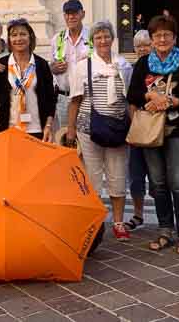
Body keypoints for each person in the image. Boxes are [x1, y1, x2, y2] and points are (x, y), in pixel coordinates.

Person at [127, 14, 179, 255]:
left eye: (166, 35)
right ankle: (164, 230)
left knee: (178, 182)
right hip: (150, 131)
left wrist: (171, 100)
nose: (162, 39)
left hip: (177, 130)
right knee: (158, 183)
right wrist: (150, 97)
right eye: (157, 35)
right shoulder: (143, 64)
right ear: (151, 38)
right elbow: (133, 95)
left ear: (174, 37)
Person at [67, 21, 133, 240]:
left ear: (112, 39)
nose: (103, 41)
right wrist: (70, 129)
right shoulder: (82, 66)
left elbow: (130, 100)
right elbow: (75, 100)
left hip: (118, 128)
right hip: (89, 129)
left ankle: (119, 222)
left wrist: (134, 128)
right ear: (92, 41)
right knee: (92, 178)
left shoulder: (123, 65)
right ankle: (94, 223)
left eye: (106, 36)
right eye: (98, 37)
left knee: (118, 175)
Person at [0, 18, 56, 141]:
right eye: (14, 35)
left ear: (30, 37)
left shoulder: (42, 65)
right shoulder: (1, 65)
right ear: (9, 40)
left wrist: (48, 125)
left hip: (37, 130)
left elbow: (51, 100)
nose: (18, 39)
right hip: (9, 130)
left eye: (23, 34)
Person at [126, 30, 152, 231]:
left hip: (157, 128)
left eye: (146, 44)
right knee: (135, 175)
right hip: (135, 128)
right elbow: (128, 99)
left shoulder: (160, 67)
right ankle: (138, 213)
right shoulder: (129, 69)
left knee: (159, 175)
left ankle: (165, 215)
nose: (143, 48)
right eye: (139, 45)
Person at [50, 0, 90, 127]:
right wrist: (53, 68)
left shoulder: (93, 37)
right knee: (65, 138)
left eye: (74, 13)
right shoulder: (57, 39)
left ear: (82, 14)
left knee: (86, 139)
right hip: (64, 98)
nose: (71, 17)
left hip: (87, 99)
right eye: (67, 13)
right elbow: (51, 67)